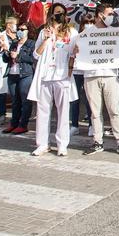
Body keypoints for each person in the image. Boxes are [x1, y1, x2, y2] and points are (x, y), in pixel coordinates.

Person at [77, 12, 119, 157]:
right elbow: (74, 49)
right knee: (95, 112)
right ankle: (97, 142)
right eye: (108, 14)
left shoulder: (116, 33)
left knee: (114, 110)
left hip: (110, 75)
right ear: (100, 15)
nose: (111, 17)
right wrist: (77, 50)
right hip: (91, 75)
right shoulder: (86, 34)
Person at [29, 8, 78, 156]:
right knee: (42, 111)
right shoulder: (44, 31)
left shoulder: (71, 32)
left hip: (62, 76)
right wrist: (46, 39)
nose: (59, 15)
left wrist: (74, 53)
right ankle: (42, 144)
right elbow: (36, 55)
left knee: (63, 112)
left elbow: (74, 53)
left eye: (61, 12)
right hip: (45, 76)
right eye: (56, 12)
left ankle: (62, 144)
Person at [2, 22, 37, 134]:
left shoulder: (31, 44)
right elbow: (6, 59)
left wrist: (18, 56)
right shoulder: (14, 43)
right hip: (12, 74)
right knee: (15, 101)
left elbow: (32, 59)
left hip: (25, 74)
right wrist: (6, 52)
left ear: (28, 31)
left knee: (25, 100)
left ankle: (23, 124)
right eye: (19, 29)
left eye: (23, 29)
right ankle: (14, 123)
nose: (20, 31)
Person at [0, 17, 19, 125]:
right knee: (2, 92)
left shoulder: (18, 36)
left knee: (15, 92)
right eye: (14, 24)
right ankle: (2, 115)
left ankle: (16, 115)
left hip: (15, 65)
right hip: (3, 65)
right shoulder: (0, 37)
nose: (16, 26)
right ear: (8, 25)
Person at [68, 6, 91, 135]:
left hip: (89, 71)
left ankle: (91, 125)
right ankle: (74, 125)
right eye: (86, 23)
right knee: (74, 98)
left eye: (91, 23)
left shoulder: (96, 37)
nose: (88, 25)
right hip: (77, 71)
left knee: (90, 99)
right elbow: (71, 55)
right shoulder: (76, 37)